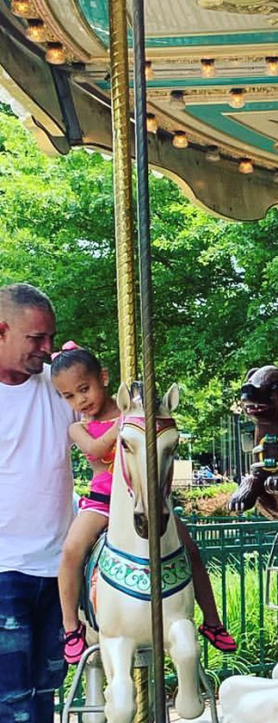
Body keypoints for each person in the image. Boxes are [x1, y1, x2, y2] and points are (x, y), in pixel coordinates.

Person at [50, 343, 237, 663]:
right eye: (69, 396)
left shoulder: (135, 417)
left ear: (103, 378)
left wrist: (137, 419)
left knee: (189, 548)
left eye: (84, 389)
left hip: (146, 501)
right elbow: (95, 448)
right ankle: (71, 626)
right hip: (102, 503)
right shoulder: (78, 427)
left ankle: (211, 620)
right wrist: (125, 424)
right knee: (71, 551)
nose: (80, 400)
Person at [0, 283, 74, 723]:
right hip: (4, 567)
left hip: (58, 567)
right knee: (10, 700)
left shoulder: (60, 386)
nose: (47, 349)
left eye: (50, 338)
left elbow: (113, 422)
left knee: (46, 693)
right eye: (36, 339)